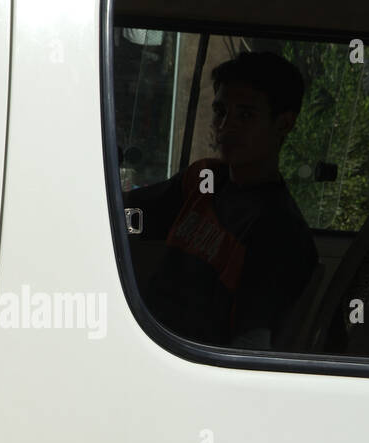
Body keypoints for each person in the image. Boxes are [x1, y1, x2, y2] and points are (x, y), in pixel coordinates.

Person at [126, 51, 318, 349]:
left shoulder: (280, 231)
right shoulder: (203, 180)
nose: (226, 127)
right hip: (141, 334)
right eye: (220, 112)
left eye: (245, 115)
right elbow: (126, 216)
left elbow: (248, 344)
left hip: (183, 360)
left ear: (283, 124)